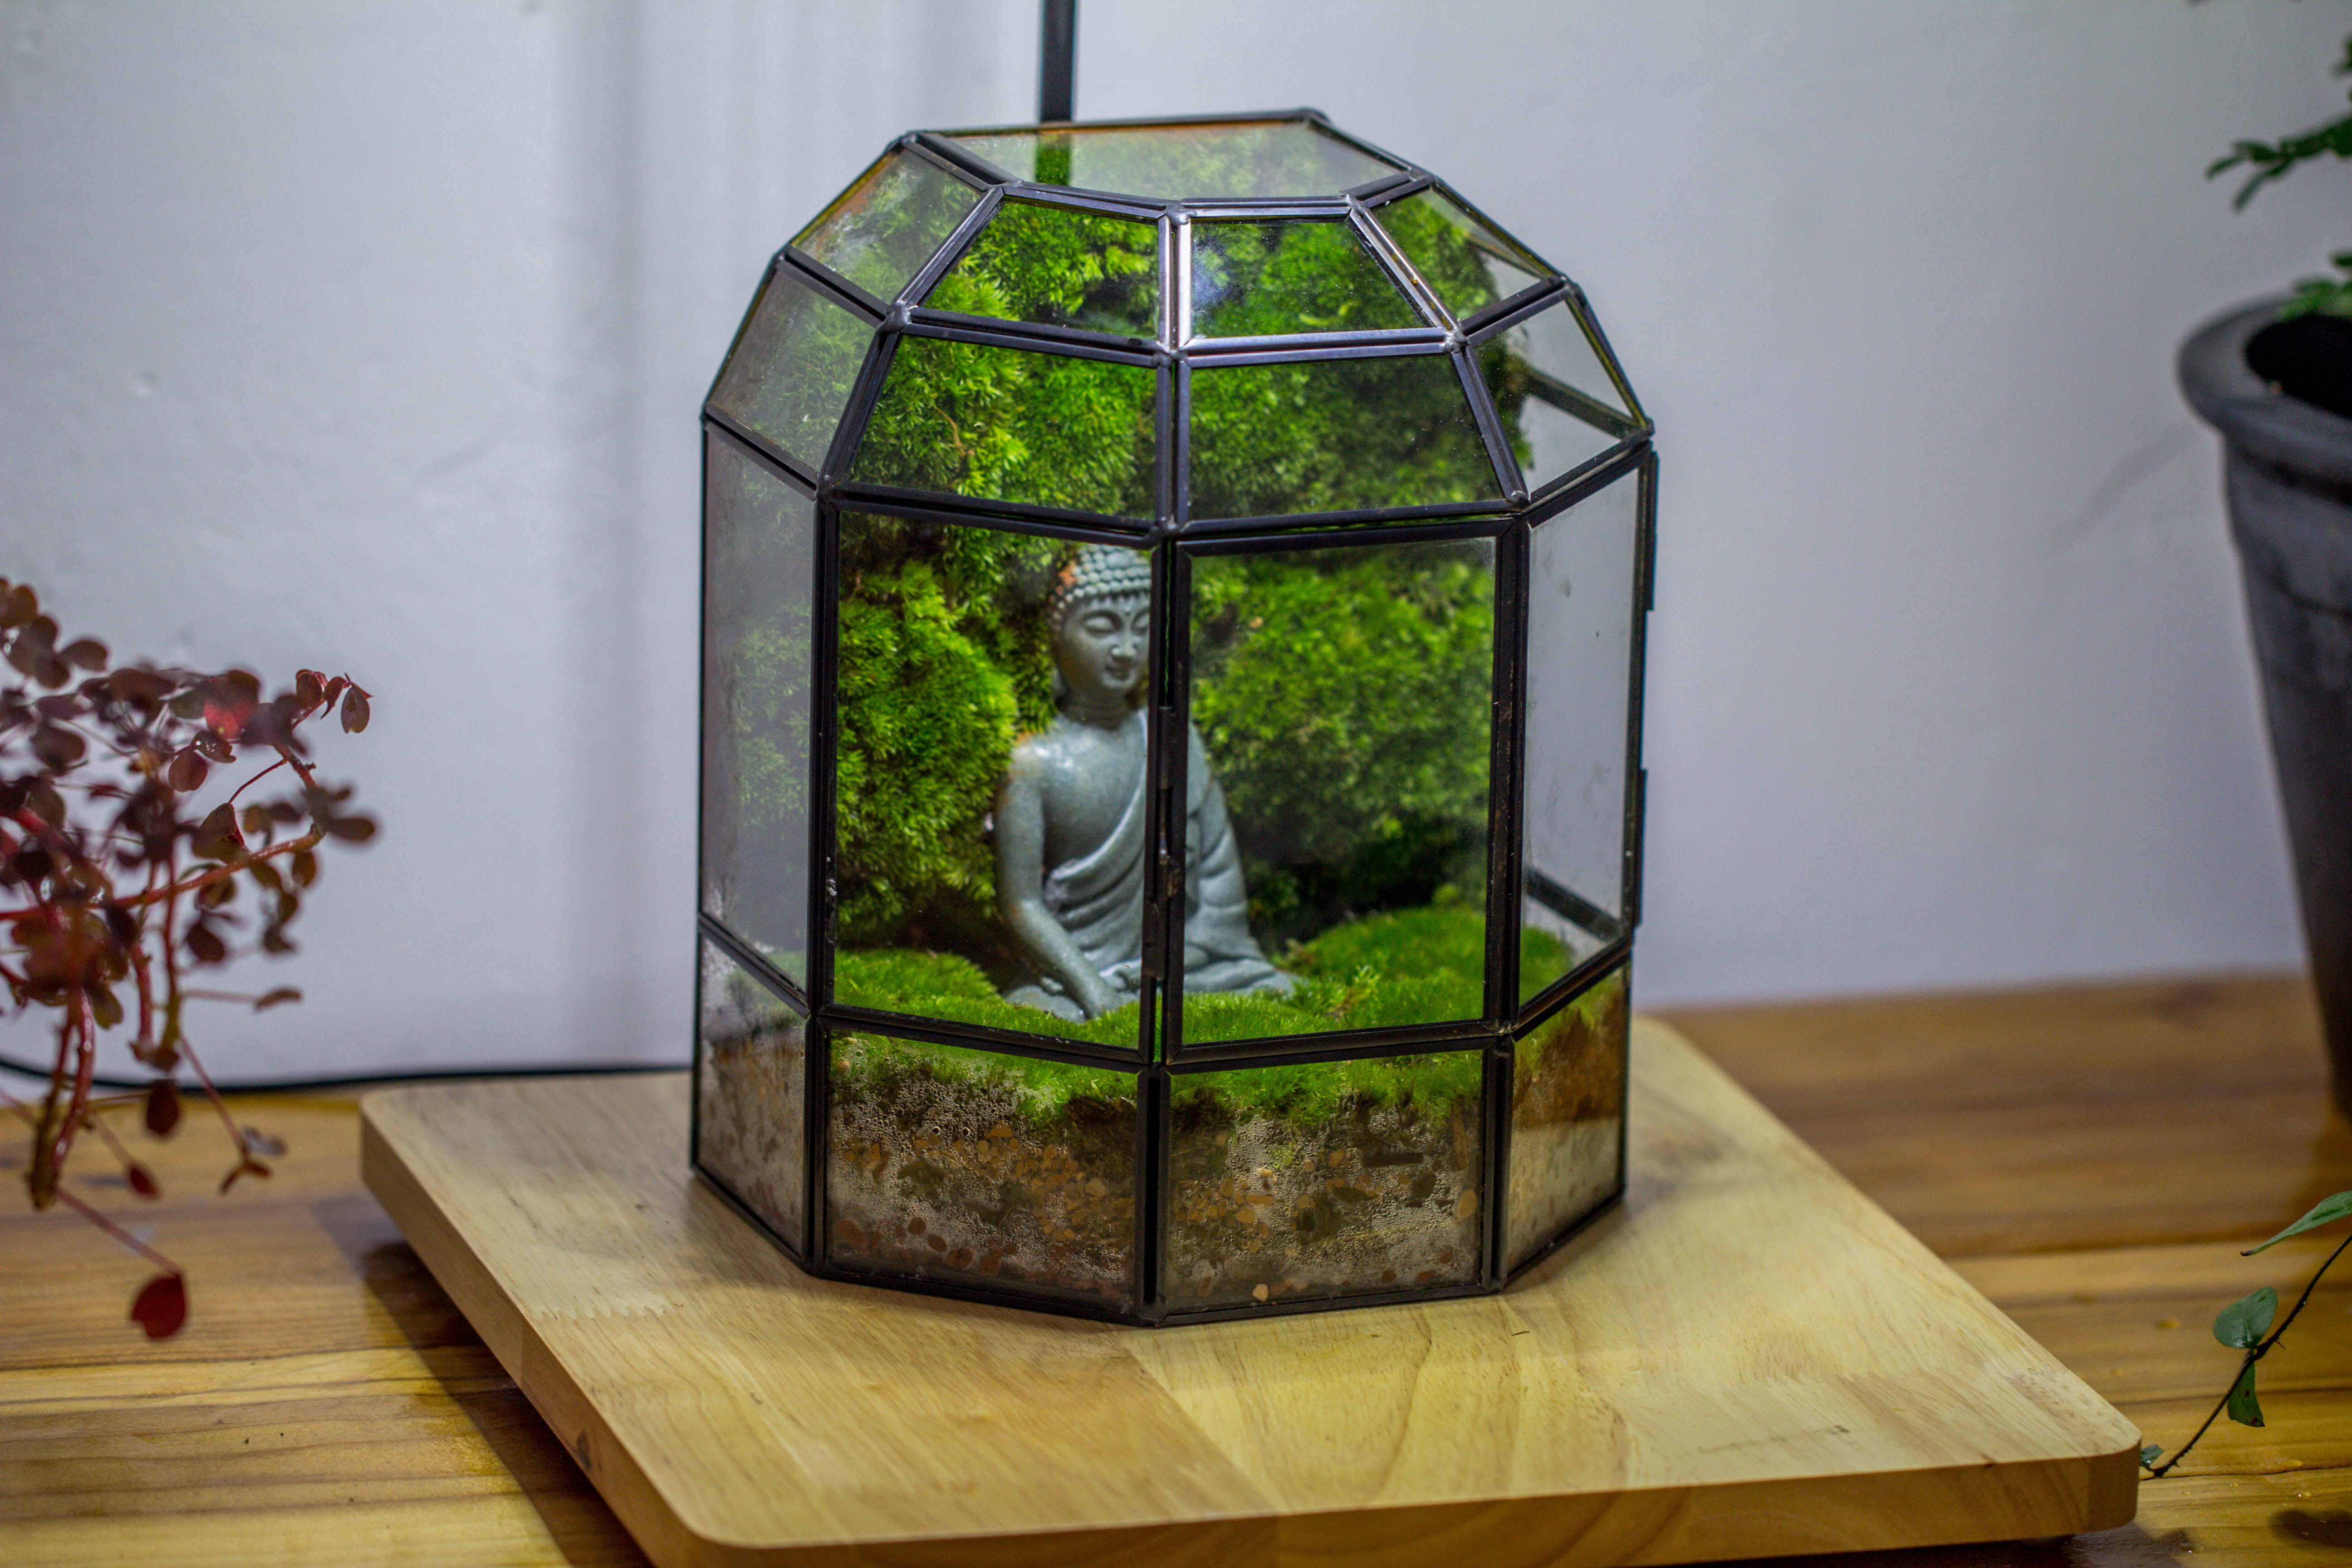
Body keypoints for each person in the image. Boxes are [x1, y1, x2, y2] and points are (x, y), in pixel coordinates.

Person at [995, 545, 1290, 1020]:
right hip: (1075, 977)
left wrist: (1172, 961)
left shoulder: (1174, 740)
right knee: (1036, 1019)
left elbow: (1218, 885)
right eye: (1102, 628)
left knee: (1275, 990)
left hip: (1177, 969)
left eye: (1142, 628)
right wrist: (1094, 991)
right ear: (1056, 636)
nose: (1127, 650)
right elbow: (1022, 905)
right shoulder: (1033, 762)